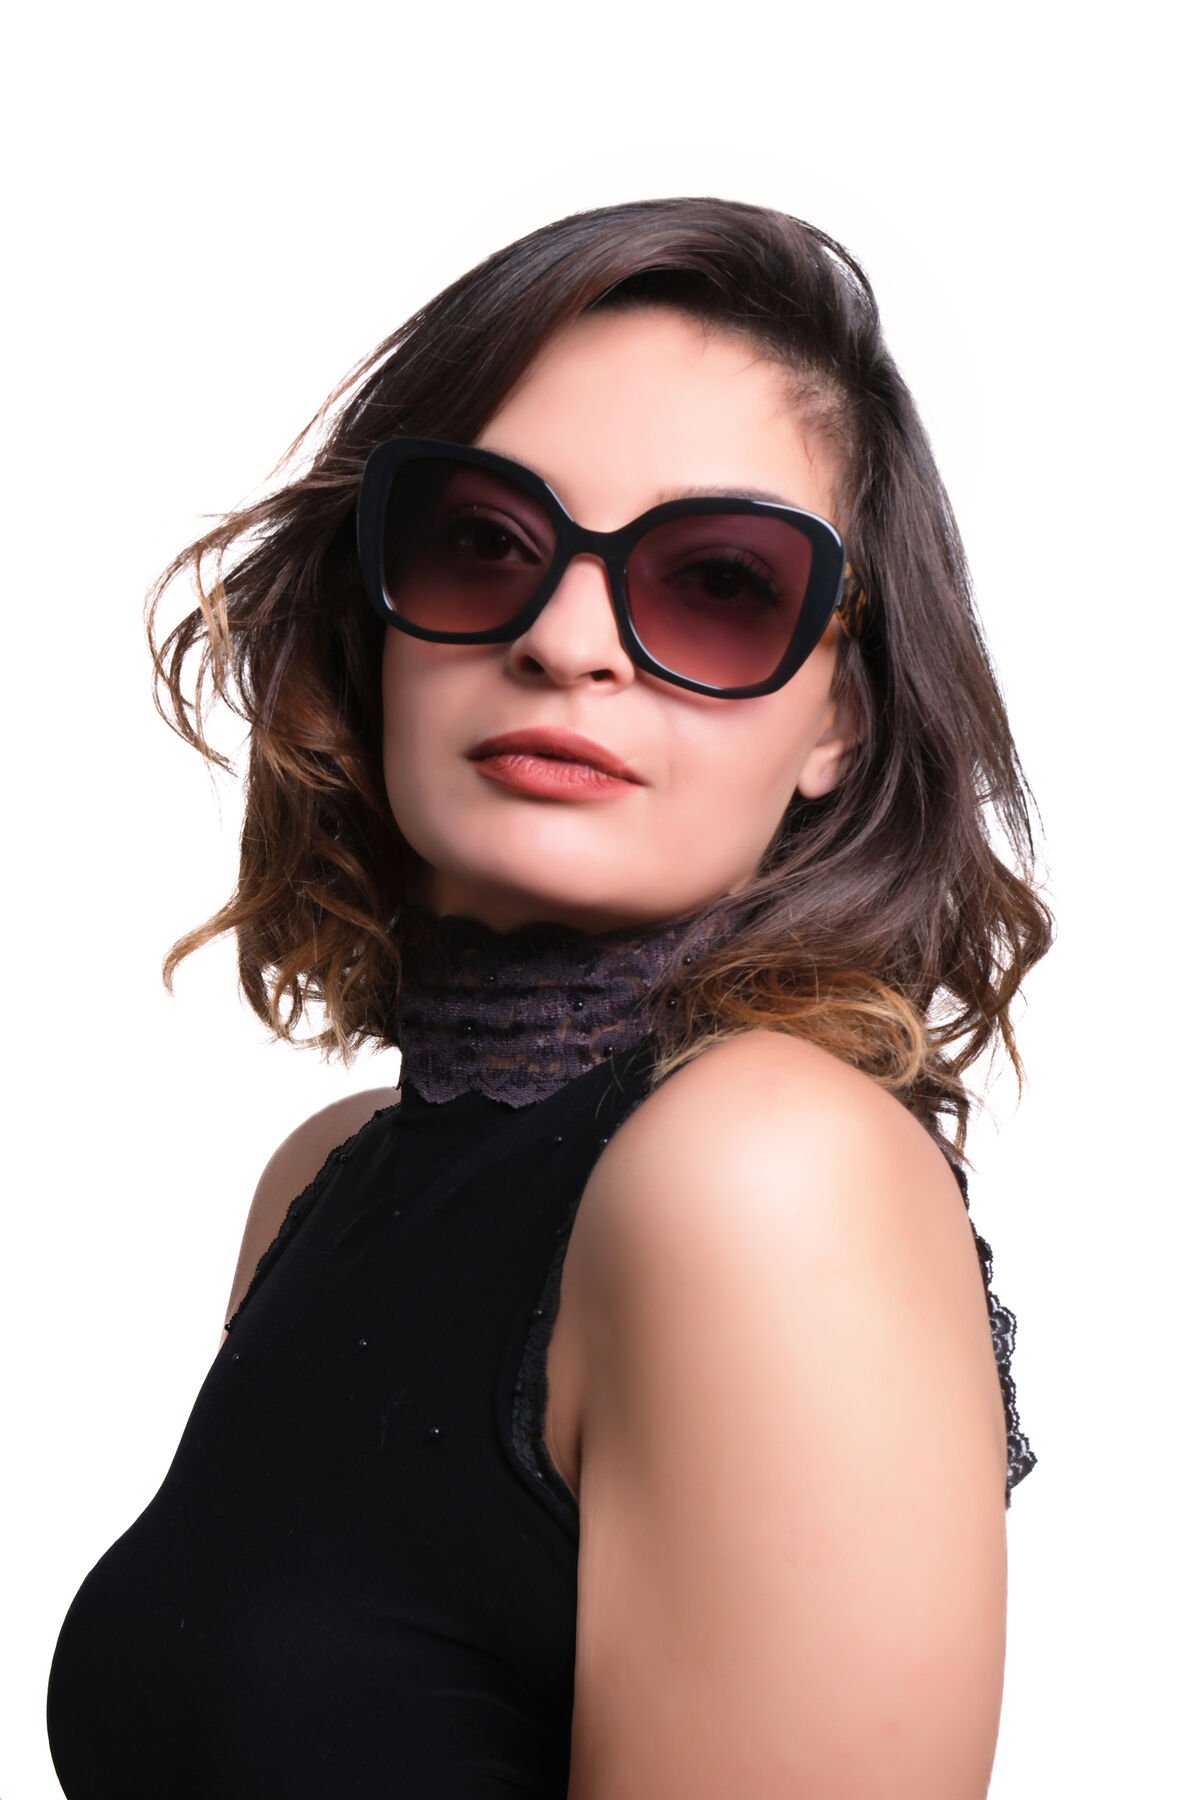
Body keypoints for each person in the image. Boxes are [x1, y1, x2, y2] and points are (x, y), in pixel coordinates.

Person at [46, 195, 1051, 1798]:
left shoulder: (766, 1173)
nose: (568, 640)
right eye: (481, 542)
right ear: (372, 613)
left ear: (838, 719)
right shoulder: (326, 1180)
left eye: (718, 580)